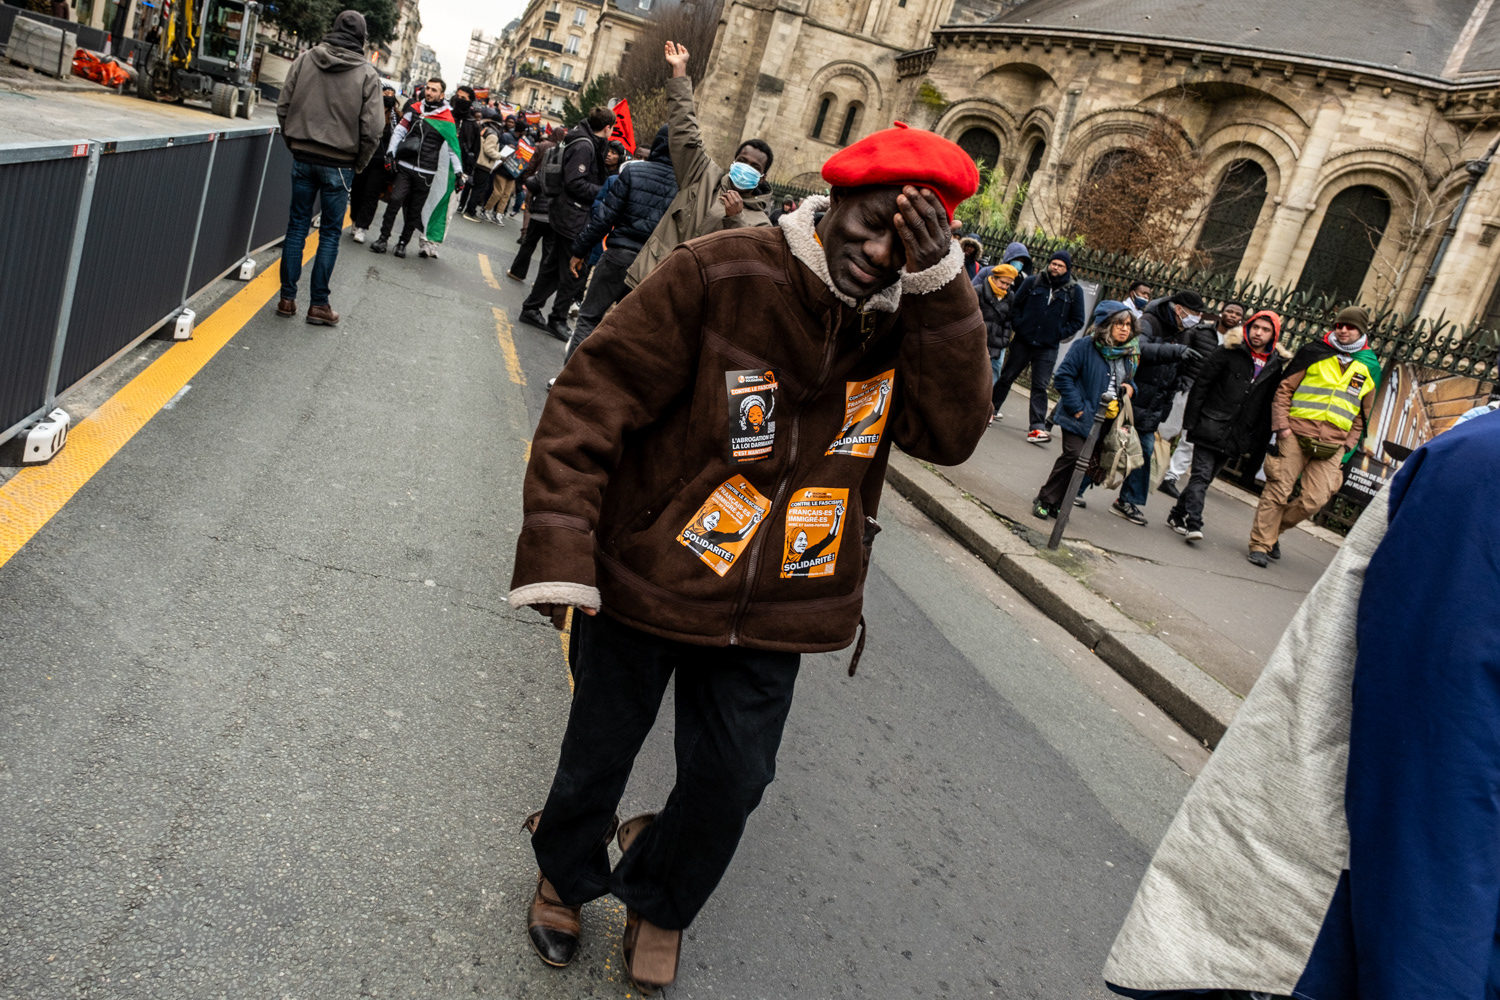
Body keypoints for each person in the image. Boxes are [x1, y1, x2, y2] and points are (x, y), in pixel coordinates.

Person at [509, 124, 986, 992]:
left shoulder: (911, 319)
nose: (880, 256)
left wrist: (942, 290)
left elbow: (950, 436)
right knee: (599, 750)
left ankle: (661, 898)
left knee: (733, 779)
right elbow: (591, 399)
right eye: (871, 226)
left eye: (907, 246)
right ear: (835, 202)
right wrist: (560, 544)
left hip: (784, 601)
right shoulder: (720, 270)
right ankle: (565, 875)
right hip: (652, 572)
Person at [1103, 414, 1500, 1000]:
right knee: (1261, 485)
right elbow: (1438, 768)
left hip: (1325, 447)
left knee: (1305, 497)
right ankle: (1256, 537)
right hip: (1334, 939)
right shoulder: (1484, 469)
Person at [624, 41, 775, 289]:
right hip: (650, 280)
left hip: (692, 299)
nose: (746, 167)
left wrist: (736, 219)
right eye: (742, 161)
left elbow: (745, 268)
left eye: (755, 167)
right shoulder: (703, 174)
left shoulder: (761, 225)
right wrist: (679, 71)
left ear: (763, 177)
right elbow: (685, 129)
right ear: (733, 161)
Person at [274, 9, 383, 327]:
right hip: (339, 162)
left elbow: (283, 106)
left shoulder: (305, 60)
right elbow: (373, 129)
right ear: (362, 38)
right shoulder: (367, 74)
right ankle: (318, 305)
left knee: (297, 226)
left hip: (303, 155)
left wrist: (294, 143)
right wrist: (359, 162)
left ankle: (286, 299)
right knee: (330, 234)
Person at [1247, 306, 1380, 567]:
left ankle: (1273, 532)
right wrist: (1283, 426)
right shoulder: (1314, 352)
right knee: (1278, 489)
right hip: (1295, 433)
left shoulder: (1369, 365)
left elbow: (1363, 414)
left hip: (1334, 444)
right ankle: (1260, 544)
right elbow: (1285, 389)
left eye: (1350, 326)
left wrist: (1348, 445)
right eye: (1339, 325)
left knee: (1314, 500)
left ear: (1362, 331)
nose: (1343, 330)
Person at [1164, 309, 1291, 543]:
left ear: (1273, 335)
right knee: (1201, 475)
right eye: (1255, 327)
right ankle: (1194, 522)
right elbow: (1202, 385)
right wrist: (1190, 422)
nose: (1258, 333)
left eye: (1265, 330)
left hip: (1237, 433)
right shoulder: (1229, 350)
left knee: (1205, 478)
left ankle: (1177, 514)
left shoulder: (1275, 366)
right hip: (1209, 423)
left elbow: (1265, 407)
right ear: (1248, 327)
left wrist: (1254, 440)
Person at [561, 123, 678, 362]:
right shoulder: (686, 187)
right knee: (628, 333)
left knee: (589, 318)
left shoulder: (633, 172)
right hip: (653, 267)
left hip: (618, 255)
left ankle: (570, 378)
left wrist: (580, 250)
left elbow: (604, 217)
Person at [517, 105, 617, 342]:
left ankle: (531, 308)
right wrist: (605, 190)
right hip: (573, 215)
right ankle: (557, 318)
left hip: (570, 213)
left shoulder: (585, 141)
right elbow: (575, 182)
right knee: (575, 270)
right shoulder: (585, 145)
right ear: (607, 127)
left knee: (553, 268)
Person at [1107, 290, 1205, 525]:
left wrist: (1168, 403)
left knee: (1145, 451)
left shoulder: (1184, 334)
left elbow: (1177, 371)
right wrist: (1175, 351)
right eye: (1193, 313)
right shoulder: (1149, 322)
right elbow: (1139, 349)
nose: (1197, 319)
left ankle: (1128, 501)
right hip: (1130, 396)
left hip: (1152, 404)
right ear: (1178, 309)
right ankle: (1075, 489)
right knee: (1106, 445)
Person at [1031, 301, 1137, 518]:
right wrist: (1078, 408)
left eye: (1128, 325)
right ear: (1106, 324)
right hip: (1078, 415)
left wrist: (1130, 388)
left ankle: (1059, 502)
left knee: (1085, 463)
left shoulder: (1127, 354)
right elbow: (1063, 377)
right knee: (1074, 455)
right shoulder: (1084, 346)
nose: (1125, 329)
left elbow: (1129, 381)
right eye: (1119, 324)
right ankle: (1045, 498)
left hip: (1106, 420)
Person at [991, 250, 1086, 442]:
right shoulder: (1033, 282)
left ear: (1067, 269)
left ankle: (1036, 427)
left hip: (1048, 347)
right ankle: (989, 411)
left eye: (1060, 265)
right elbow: (1015, 305)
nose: (1055, 268)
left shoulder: (1074, 291)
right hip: (1023, 341)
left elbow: (1078, 320)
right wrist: (1020, 325)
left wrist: (1058, 333)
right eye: (1053, 263)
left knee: (1040, 386)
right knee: (1007, 377)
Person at [1158, 301, 1243, 499]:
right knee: (1166, 429)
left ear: (1241, 319)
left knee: (1190, 439)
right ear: (1221, 313)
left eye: (1237, 313)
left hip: (1210, 398)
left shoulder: (1238, 344)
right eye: (1229, 311)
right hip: (1187, 388)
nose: (1232, 315)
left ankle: (1171, 477)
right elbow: (1181, 356)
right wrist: (1180, 381)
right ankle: (1149, 466)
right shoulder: (1200, 332)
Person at [371, 77, 462, 259]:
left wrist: (459, 173)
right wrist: (390, 153)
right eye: (428, 88)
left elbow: (453, 148)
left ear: (442, 95)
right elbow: (400, 131)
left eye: (434, 90)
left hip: (426, 172)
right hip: (405, 165)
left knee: (414, 210)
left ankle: (402, 244)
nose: (429, 92)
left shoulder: (447, 118)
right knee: (395, 200)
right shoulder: (414, 109)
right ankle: (383, 239)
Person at [508, 127, 563, 281]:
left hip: (539, 205)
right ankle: (540, 282)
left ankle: (517, 272)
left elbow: (533, 168)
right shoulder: (568, 161)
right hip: (555, 213)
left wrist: (527, 179)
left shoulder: (544, 148)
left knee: (529, 242)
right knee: (548, 249)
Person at [349, 84, 399, 244]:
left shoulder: (396, 117)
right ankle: (354, 219)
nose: (389, 95)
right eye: (386, 93)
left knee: (371, 194)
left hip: (380, 163)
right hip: (364, 158)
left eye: (391, 93)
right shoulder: (369, 110)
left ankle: (362, 227)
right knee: (357, 191)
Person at [973, 261, 1018, 416]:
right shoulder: (978, 291)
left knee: (992, 375)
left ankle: (982, 409)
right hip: (977, 342)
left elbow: (1008, 321)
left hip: (996, 344)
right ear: (994, 278)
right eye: (1002, 282)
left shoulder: (1009, 296)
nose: (1005, 287)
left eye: (1008, 284)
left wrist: (1004, 341)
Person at [463, 107, 503, 222]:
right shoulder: (493, 135)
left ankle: (465, 208)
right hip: (484, 165)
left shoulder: (484, 129)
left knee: (473, 187)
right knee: (478, 189)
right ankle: (470, 211)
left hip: (477, 162)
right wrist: (500, 156)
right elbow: (489, 150)